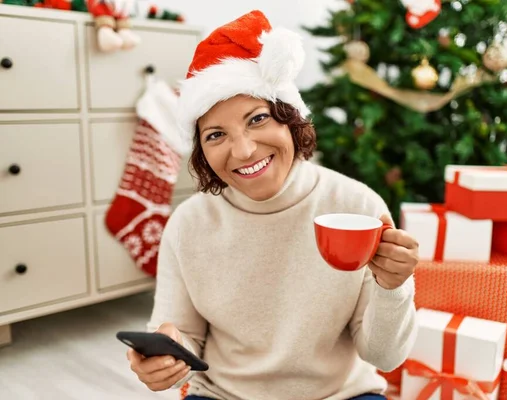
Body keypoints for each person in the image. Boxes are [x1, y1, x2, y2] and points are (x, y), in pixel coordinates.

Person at [126, 10, 419, 400]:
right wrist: (167, 357)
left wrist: (393, 288)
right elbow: (184, 336)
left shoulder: (356, 206)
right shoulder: (190, 223)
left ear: (290, 120)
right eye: (216, 135)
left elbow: (384, 355)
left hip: (341, 395)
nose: (244, 151)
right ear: (202, 153)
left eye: (258, 118)